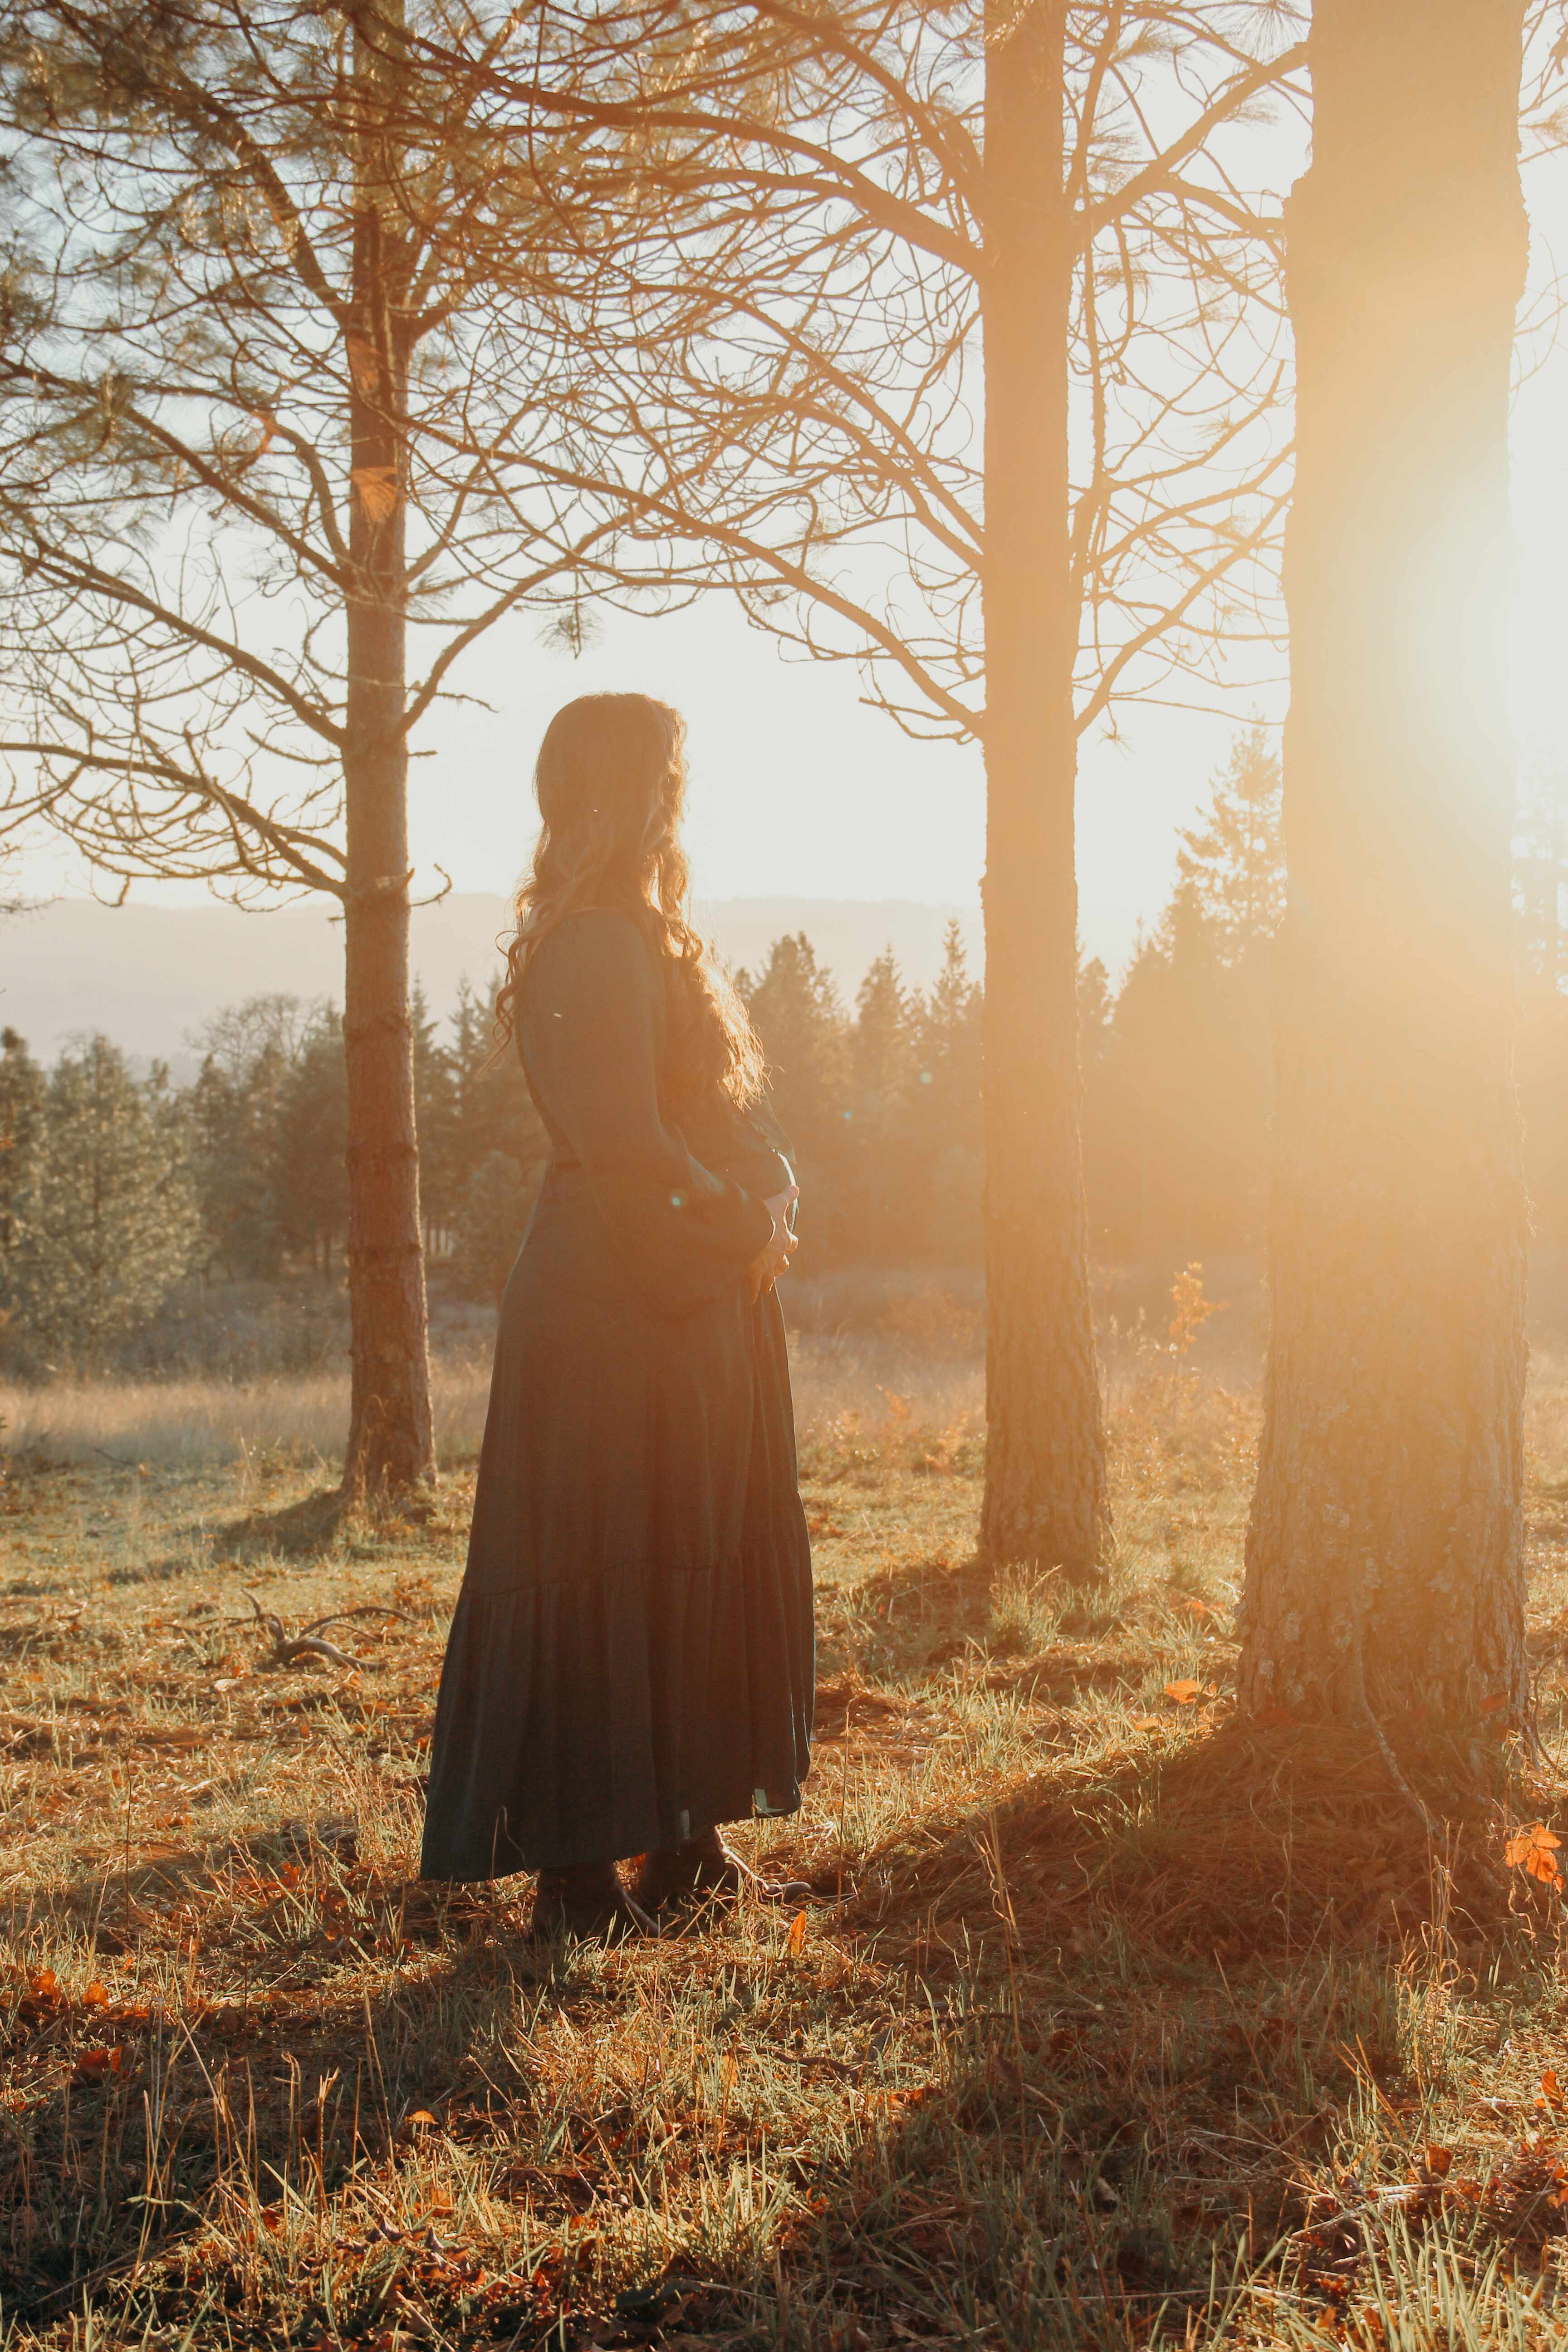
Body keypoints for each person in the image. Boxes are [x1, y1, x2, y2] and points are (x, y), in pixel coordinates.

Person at [420, 692, 815, 1940]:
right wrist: (741, 1229)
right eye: (673, 771)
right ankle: (580, 1881)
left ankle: (687, 1849)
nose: (684, 792)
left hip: (683, 1295)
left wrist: (774, 1192)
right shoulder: (593, 944)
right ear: (632, 789)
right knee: (599, 1567)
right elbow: (626, 1147)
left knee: (678, 1556)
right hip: (612, 1303)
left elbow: (704, 1119)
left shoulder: (649, 936)